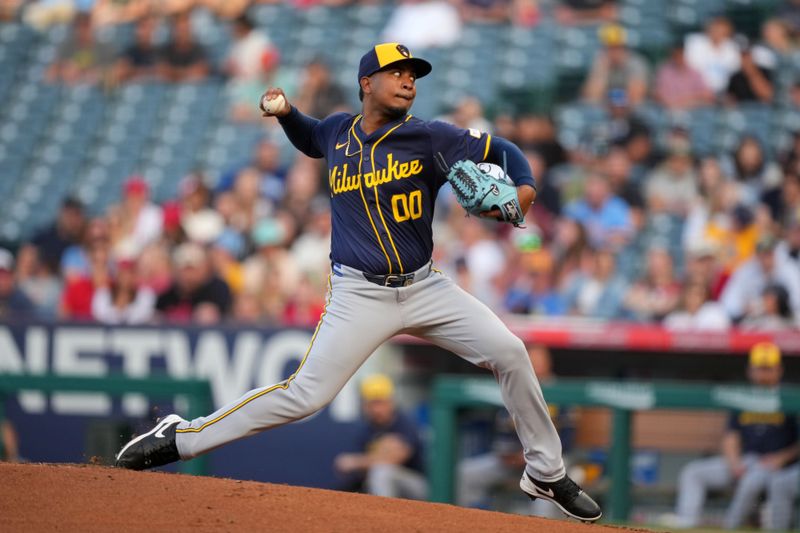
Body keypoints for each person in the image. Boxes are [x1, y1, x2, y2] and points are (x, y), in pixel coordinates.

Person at [114, 42, 601, 523]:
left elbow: (504, 149)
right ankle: (182, 437)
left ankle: (545, 472)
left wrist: (525, 189)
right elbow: (310, 138)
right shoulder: (337, 132)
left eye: (414, 74)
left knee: (511, 352)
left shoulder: (430, 137)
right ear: (367, 82)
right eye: (398, 72)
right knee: (303, 396)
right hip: (359, 294)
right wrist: (286, 113)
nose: (409, 80)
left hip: (425, 287)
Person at [673, 342, 800, 530]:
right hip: (744, 460)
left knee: (752, 481)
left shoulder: (789, 397)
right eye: (759, 369)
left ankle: (730, 527)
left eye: (768, 369)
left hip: (772, 465)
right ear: (750, 370)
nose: (763, 374)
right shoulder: (743, 396)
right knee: (693, 472)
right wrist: (734, 463)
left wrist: (781, 458)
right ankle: (686, 524)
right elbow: (731, 436)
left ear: (778, 370)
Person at [457, 344, 577, 518]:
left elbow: (567, 438)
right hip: (511, 460)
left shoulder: (560, 392)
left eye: (539, 361)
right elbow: (502, 431)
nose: (535, 365)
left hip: (547, 462)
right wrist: (506, 453)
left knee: (546, 494)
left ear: (548, 363)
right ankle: (471, 522)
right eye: (531, 361)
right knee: (465, 473)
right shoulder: (515, 386)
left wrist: (533, 454)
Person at [334, 374, 427, 500]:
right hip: (388, 488)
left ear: (391, 402)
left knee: (381, 472)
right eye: (371, 404)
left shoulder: (404, 423)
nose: (376, 409)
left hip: (420, 487)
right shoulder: (366, 431)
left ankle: (385, 517)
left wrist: (355, 462)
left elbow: (395, 458)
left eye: (380, 403)